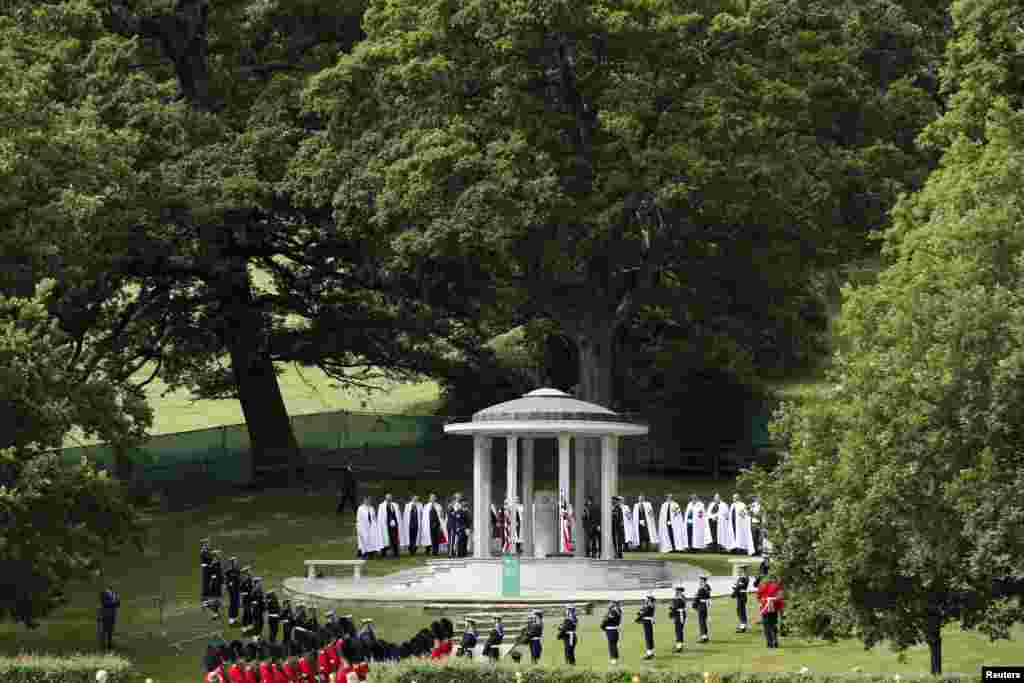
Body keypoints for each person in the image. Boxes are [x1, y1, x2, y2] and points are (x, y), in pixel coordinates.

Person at [757, 575, 784, 648]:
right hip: (774, 608)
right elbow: (780, 597)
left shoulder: (763, 585)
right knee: (773, 625)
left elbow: (759, 597)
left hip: (766, 607)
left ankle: (770, 643)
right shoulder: (778, 586)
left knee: (767, 626)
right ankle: (775, 640)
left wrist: (763, 601)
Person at [377, 493, 402, 558]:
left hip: (394, 525)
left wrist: (397, 522)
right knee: (385, 539)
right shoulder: (381, 505)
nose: (389, 498)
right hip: (385, 525)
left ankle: (396, 553)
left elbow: (398, 514)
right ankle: (383, 553)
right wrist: (381, 524)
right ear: (385, 498)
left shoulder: (395, 505)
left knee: (394, 539)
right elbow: (380, 516)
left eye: (390, 497)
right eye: (388, 497)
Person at [98, 584, 120, 651]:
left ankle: (109, 644)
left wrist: (117, 601)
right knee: (105, 630)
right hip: (106, 614)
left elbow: (118, 604)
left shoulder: (114, 594)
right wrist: (114, 602)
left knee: (110, 630)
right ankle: (103, 645)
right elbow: (105, 603)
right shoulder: (103, 594)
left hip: (112, 614)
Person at [600, 600, 622, 665]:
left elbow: (606, 620)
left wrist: (602, 626)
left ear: (613, 604)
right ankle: (615, 658)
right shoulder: (618, 611)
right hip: (615, 630)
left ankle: (613, 659)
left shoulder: (612, 612)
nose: (609, 604)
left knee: (611, 645)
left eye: (610, 603)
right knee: (614, 644)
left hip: (610, 630)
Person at [636, 594, 656, 660]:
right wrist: (640, 612)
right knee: (649, 636)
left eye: (647, 599)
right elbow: (641, 611)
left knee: (648, 637)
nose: (645, 600)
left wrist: (638, 618)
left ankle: (649, 653)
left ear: (649, 600)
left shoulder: (649, 606)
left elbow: (644, 613)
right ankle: (651, 652)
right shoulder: (649, 605)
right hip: (647, 621)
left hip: (647, 621)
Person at [206, 550, 224, 620]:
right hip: (215, 583)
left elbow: (219, 574)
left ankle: (216, 612)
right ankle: (215, 612)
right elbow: (213, 574)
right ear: (215, 556)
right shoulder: (214, 564)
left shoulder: (217, 563)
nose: (220, 556)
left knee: (217, 599)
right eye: (218, 555)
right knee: (216, 599)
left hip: (217, 583)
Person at [669, 584, 687, 652]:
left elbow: (676, 607)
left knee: (678, 630)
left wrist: (671, 611)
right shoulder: (680, 597)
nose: (676, 592)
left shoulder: (680, 598)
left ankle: (679, 645)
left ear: (679, 591)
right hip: (679, 614)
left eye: (677, 591)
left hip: (679, 615)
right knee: (679, 630)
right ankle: (679, 644)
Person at [694, 575, 712, 642]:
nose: (699, 582)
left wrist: (694, 606)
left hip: (701, 605)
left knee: (701, 621)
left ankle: (703, 636)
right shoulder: (707, 587)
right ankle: (705, 636)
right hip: (705, 605)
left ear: (703, 580)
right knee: (703, 621)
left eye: (700, 580)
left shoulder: (702, 588)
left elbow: (698, 597)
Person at [733, 566, 751, 632]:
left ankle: (743, 626)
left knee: (741, 610)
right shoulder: (742, 578)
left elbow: (739, 587)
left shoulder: (743, 578)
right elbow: (737, 586)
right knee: (739, 610)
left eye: (741, 570)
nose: (739, 571)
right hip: (740, 595)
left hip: (741, 595)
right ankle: (743, 624)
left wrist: (734, 593)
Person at [226, 557, 242, 626]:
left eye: (236, 561)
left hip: (236, 589)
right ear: (232, 562)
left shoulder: (237, 570)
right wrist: (229, 586)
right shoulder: (229, 571)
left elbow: (238, 580)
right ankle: (231, 620)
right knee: (233, 604)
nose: (236, 562)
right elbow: (228, 581)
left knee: (236, 604)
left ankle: (234, 619)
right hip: (232, 590)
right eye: (234, 561)